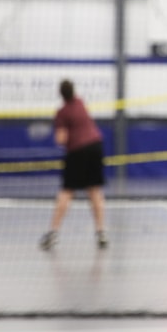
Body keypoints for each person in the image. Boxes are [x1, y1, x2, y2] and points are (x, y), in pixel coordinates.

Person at [40, 79, 108, 250]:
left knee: (67, 192)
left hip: (77, 152)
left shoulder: (62, 113)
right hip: (95, 146)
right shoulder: (80, 102)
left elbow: (61, 139)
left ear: (60, 94)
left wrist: (56, 135)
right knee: (94, 191)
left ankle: (53, 234)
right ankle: (101, 233)